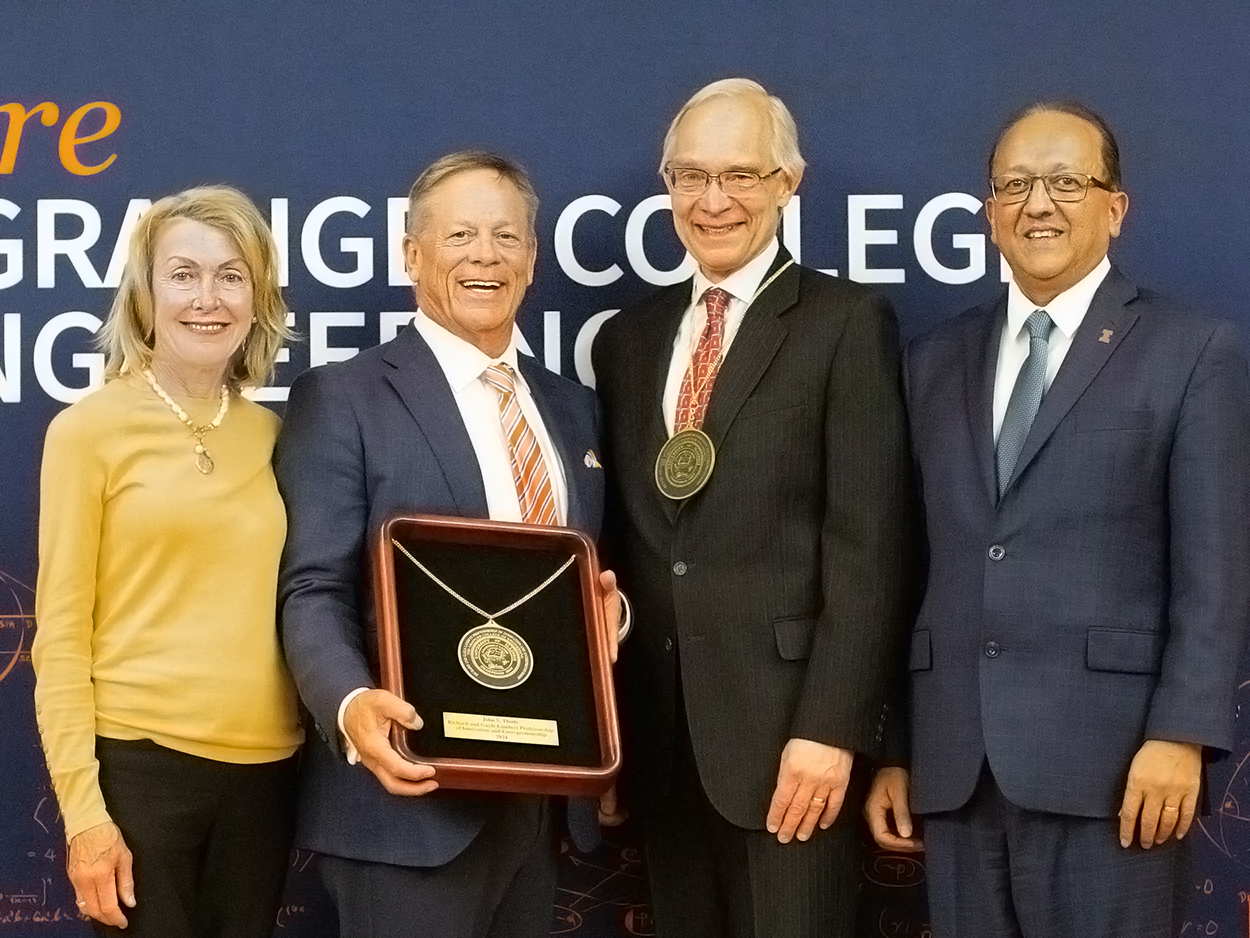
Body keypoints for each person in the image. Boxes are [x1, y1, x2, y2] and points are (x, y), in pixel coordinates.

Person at [865, 102, 1250, 937]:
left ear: (1116, 207)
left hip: (1115, 771)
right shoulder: (934, 361)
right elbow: (908, 568)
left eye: (1066, 182)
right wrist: (895, 745)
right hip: (957, 770)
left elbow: (1214, 573)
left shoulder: (1192, 351)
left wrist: (1181, 735)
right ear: (990, 214)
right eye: (1015, 185)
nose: (1039, 203)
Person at [591, 78, 914, 938]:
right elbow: (628, 544)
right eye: (690, 177)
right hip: (663, 750)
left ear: (787, 183)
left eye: (740, 175)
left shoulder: (846, 323)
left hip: (791, 750)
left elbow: (870, 547)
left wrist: (833, 730)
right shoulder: (628, 341)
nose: (713, 200)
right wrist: (612, 729)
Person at [276, 150, 622, 938]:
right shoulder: (346, 397)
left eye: (506, 237)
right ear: (413, 253)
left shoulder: (575, 411)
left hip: (539, 809)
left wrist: (612, 621)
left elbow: (591, 581)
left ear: (533, 259)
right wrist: (352, 705)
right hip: (406, 809)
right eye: (460, 234)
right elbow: (313, 589)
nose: (485, 256)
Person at [32, 186, 301, 936]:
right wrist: (85, 815)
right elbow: (59, 638)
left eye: (231, 275)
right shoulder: (87, 432)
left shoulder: (277, 436)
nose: (207, 299)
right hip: (139, 773)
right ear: (146, 295)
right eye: (183, 274)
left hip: (268, 779)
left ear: (257, 295)